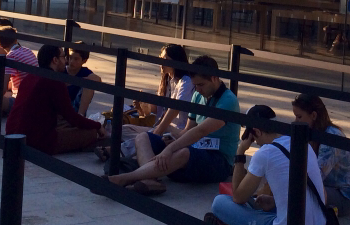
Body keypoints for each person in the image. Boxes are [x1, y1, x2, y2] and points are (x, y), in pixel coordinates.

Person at [108, 55, 239, 195]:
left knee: (183, 152)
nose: (198, 90)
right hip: (195, 149)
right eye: (195, 86)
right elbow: (189, 129)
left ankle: (127, 178)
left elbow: (201, 131)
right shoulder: (198, 95)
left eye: (201, 85)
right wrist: (174, 138)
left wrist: (169, 149)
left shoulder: (228, 100)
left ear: (214, 78)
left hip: (219, 160)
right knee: (143, 137)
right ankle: (150, 180)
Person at [207, 104, 327, 225]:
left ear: (256, 131)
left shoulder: (265, 153)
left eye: (251, 138)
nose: (255, 143)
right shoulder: (302, 144)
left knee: (220, 203)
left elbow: (238, 197)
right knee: (258, 204)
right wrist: (275, 201)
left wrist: (240, 153)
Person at [98, 43, 194, 162]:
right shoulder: (167, 80)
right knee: (124, 129)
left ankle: (116, 150)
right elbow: (157, 110)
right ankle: (143, 148)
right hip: (160, 126)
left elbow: (175, 108)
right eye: (161, 59)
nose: (161, 63)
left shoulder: (186, 81)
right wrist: (143, 106)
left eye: (166, 60)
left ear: (176, 61)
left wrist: (158, 130)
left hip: (175, 129)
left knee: (149, 135)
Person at [6, 44, 105, 154]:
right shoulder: (54, 81)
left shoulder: (30, 76)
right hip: (36, 142)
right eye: (63, 57)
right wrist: (97, 125)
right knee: (90, 132)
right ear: (55, 60)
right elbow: (71, 117)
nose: (66, 61)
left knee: (66, 123)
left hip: (12, 133)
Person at [292, 93, 350, 216]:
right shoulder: (312, 133)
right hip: (325, 187)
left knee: (300, 194)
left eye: (299, 117)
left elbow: (316, 176)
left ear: (313, 115)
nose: (296, 121)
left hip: (343, 195)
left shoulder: (331, 137)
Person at [0, 25, 37, 113]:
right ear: (16, 39)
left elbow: (3, 87)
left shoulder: (11, 56)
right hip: (36, 95)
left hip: (24, 100)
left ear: (0, 45)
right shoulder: (27, 50)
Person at [66, 44, 101, 116]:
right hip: (61, 105)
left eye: (76, 59)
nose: (72, 61)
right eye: (70, 57)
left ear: (84, 61)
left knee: (89, 84)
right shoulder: (63, 69)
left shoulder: (84, 72)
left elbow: (98, 79)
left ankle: (80, 116)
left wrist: (77, 81)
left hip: (75, 106)